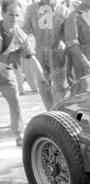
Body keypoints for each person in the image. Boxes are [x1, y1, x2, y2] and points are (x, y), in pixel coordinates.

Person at [0, 0, 46, 146]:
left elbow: (30, 57)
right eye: (10, 14)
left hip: (6, 75)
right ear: (2, 13)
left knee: (16, 103)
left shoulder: (19, 34)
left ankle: (19, 135)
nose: (13, 18)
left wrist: (41, 76)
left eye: (16, 15)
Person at [23, 0, 70, 110]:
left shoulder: (63, 11)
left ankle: (58, 115)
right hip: (39, 53)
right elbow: (25, 30)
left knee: (60, 88)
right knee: (44, 87)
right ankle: (50, 114)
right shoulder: (32, 9)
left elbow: (69, 37)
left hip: (58, 53)